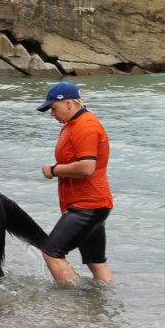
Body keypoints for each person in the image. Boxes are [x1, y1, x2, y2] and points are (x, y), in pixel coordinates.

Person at [36, 81, 114, 285]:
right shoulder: (72, 124)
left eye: (53, 108)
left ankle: (74, 302)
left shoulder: (86, 126)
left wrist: (53, 170)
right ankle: (100, 306)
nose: (52, 114)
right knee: (95, 261)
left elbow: (87, 166)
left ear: (69, 103)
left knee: (51, 252)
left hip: (88, 205)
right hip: (92, 204)